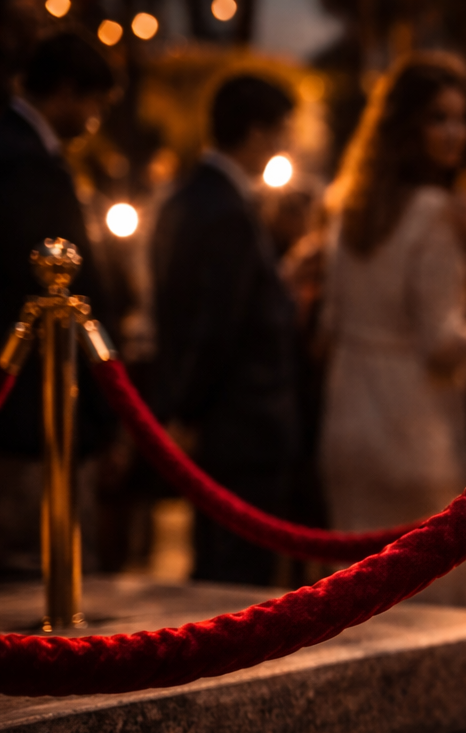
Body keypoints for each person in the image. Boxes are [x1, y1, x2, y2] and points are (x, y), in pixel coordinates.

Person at [316, 53, 466, 606]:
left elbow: (331, 319)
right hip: (417, 424)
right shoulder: (438, 212)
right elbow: (442, 341)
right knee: (428, 603)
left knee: (354, 599)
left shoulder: (348, 209)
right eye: (439, 118)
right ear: (408, 127)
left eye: (462, 119)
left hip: (348, 413)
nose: (456, 134)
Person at [150, 74, 298, 587]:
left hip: (218, 419)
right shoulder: (227, 209)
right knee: (237, 576)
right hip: (241, 422)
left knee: (217, 560)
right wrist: (190, 409)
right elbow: (215, 323)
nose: (282, 145)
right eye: (281, 132)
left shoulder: (186, 198)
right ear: (256, 133)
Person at [0, 31, 119, 576]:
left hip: (15, 395)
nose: (94, 120)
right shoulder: (24, 164)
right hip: (29, 401)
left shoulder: (5, 147)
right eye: (95, 104)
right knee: (34, 563)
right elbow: (50, 287)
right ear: (66, 91)